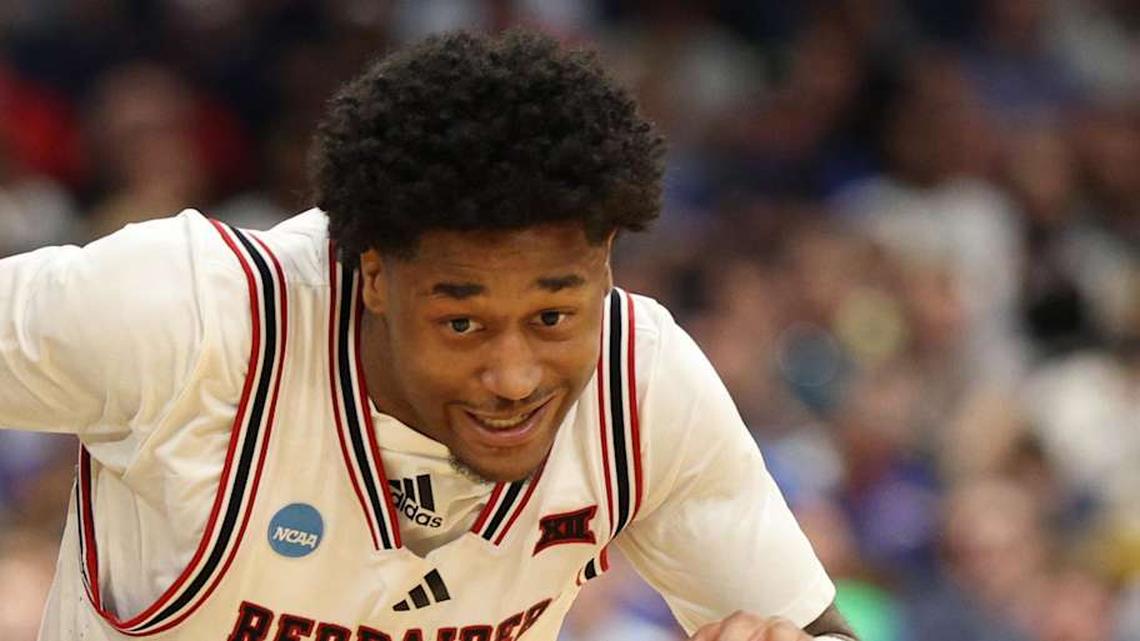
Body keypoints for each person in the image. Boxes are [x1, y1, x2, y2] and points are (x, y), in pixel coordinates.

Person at [0, 30, 857, 641]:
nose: (515, 375)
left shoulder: (644, 385)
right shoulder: (188, 316)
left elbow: (816, 627)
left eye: (553, 316)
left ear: (604, 267)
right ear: (371, 273)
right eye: (463, 322)